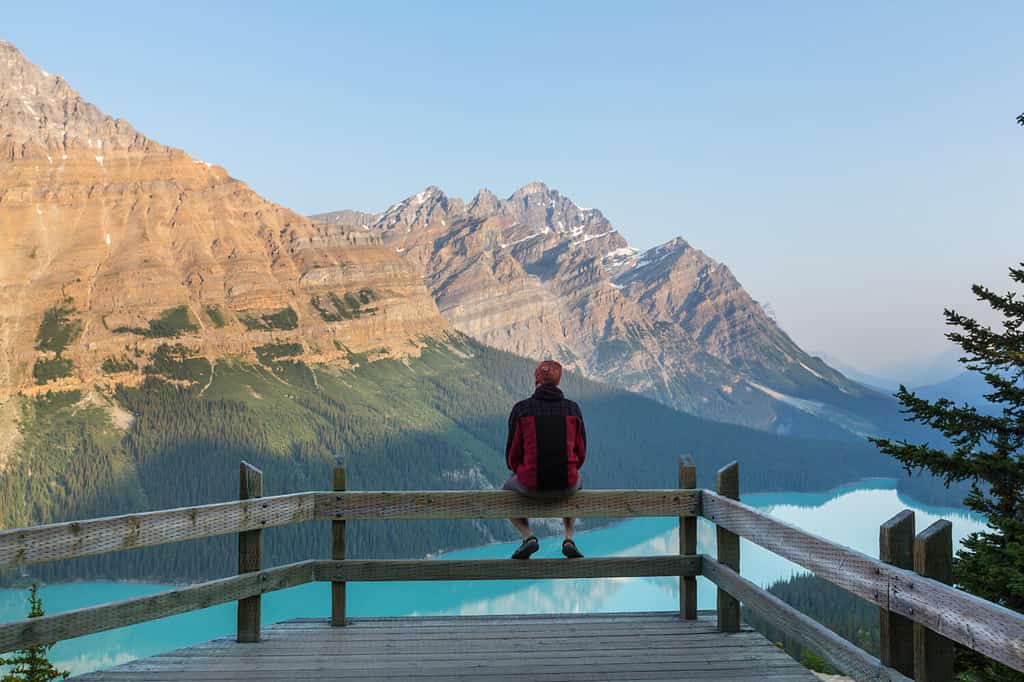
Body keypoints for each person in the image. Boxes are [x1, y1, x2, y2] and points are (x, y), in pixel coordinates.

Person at [503, 359, 587, 559]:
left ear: (536, 379)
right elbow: (581, 453)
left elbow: (512, 457)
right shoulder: (572, 410)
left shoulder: (521, 410)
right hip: (567, 485)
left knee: (505, 491)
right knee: (578, 479)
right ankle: (568, 538)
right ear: (558, 381)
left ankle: (528, 536)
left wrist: (523, 471)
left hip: (529, 484)